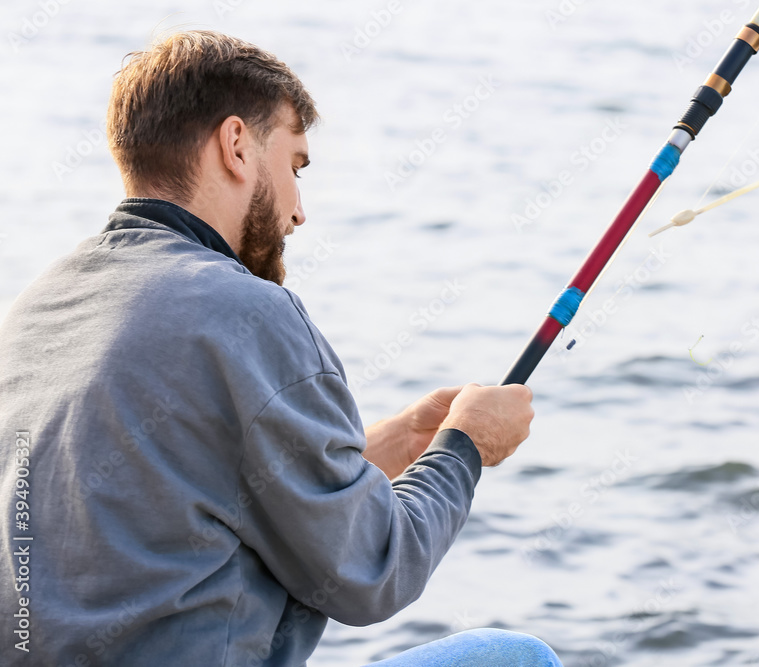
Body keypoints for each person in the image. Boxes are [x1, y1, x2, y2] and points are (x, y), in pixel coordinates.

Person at [0, 30, 561, 666]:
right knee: (514, 658)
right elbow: (374, 570)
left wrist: (406, 439)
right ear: (236, 145)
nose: (299, 212)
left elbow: (190, 495)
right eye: (294, 167)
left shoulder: (38, 309)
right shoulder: (246, 312)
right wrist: (464, 448)